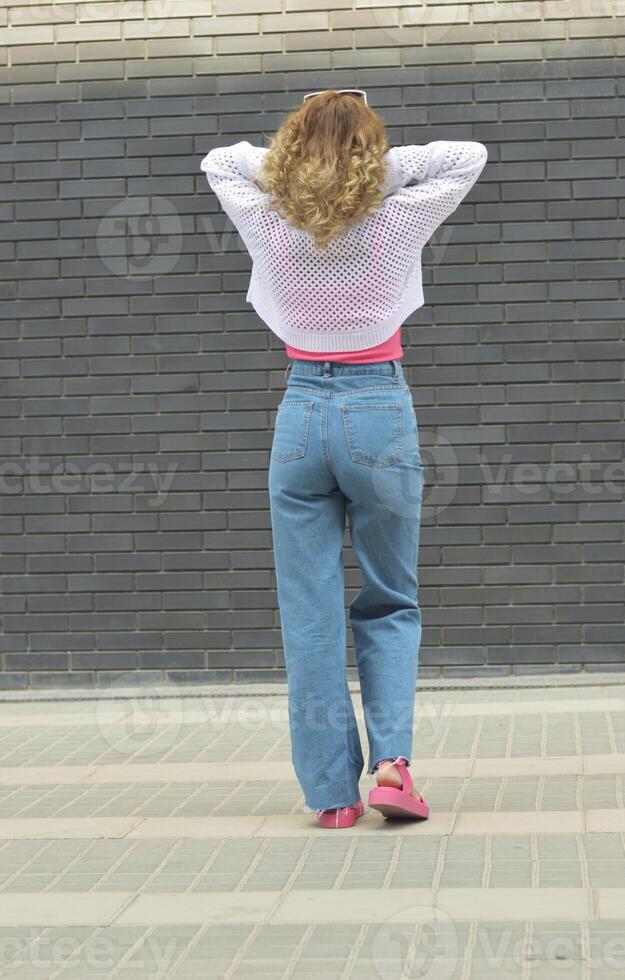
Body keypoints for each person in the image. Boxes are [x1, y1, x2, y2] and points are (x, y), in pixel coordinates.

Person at [200, 88, 488, 829]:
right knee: (391, 596)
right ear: (372, 148)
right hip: (378, 412)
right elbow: (466, 156)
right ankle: (393, 766)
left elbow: (221, 160)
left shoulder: (270, 216)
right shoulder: (394, 216)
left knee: (309, 613)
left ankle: (332, 798)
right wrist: (366, 167)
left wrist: (302, 169)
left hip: (299, 416)